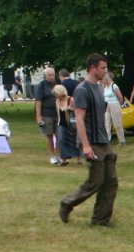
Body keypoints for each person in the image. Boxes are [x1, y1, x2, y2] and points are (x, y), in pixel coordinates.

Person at [59, 54, 118, 227]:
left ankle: (100, 220)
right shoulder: (82, 90)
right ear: (92, 68)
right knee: (96, 181)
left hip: (103, 141)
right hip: (91, 141)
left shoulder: (99, 88)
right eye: (102, 68)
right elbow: (79, 119)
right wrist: (85, 145)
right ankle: (67, 203)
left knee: (111, 182)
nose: (105, 71)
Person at [33, 67, 61, 165]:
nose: (51, 77)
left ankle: (59, 155)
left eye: (53, 74)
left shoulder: (58, 83)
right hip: (46, 113)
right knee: (49, 135)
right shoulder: (42, 85)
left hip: (57, 113)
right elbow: (38, 101)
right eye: (49, 75)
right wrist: (39, 115)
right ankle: (52, 156)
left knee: (59, 135)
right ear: (45, 76)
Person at [52, 84, 80, 163]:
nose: (56, 96)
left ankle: (78, 158)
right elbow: (58, 113)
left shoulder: (71, 99)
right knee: (61, 140)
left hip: (72, 123)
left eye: (57, 94)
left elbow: (78, 110)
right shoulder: (57, 101)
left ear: (61, 93)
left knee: (74, 140)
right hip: (61, 123)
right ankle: (64, 159)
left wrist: (70, 108)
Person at [102, 71, 126, 146]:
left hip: (115, 104)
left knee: (117, 123)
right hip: (107, 105)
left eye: (105, 77)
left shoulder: (114, 86)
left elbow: (120, 97)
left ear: (109, 78)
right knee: (107, 123)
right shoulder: (105, 86)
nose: (104, 78)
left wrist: (120, 105)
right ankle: (107, 140)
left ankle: (122, 141)